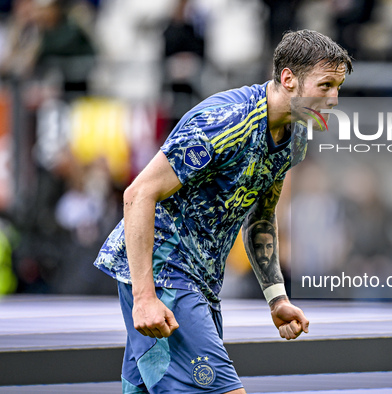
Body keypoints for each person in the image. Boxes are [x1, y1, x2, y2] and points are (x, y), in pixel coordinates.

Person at [94, 29, 352, 393]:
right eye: (325, 86)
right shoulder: (224, 122)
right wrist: (144, 297)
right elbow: (138, 194)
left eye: (337, 87)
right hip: (167, 272)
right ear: (289, 79)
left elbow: (261, 216)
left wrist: (276, 298)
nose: (334, 99)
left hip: (200, 283)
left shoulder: (295, 136)